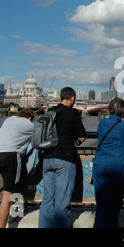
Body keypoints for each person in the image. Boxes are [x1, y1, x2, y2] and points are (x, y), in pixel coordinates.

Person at [38, 87, 86, 228]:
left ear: (61, 97)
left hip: (47, 158)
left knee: (47, 199)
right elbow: (81, 136)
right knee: (62, 201)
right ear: (72, 98)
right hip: (65, 158)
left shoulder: (50, 112)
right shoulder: (73, 113)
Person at [91, 98, 124, 228]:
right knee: (115, 202)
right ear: (122, 111)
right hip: (118, 164)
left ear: (109, 110)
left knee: (101, 202)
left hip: (100, 165)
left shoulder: (102, 123)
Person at [0, 108, 35, 228]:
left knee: (12, 184)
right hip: (10, 155)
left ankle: (17, 212)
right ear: (30, 118)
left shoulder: (9, 120)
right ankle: (2, 225)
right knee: (7, 193)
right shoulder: (29, 124)